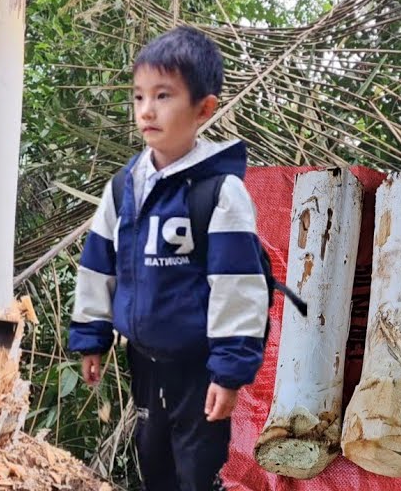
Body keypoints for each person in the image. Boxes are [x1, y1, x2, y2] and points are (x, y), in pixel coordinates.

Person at [69, 25, 268, 491]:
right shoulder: (123, 188)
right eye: (138, 97)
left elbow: (238, 284)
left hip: (200, 368)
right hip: (143, 361)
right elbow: (99, 264)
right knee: (153, 463)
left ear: (204, 108)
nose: (147, 110)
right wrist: (91, 336)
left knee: (198, 473)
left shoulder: (221, 192)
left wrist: (229, 371)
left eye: (163, 96)